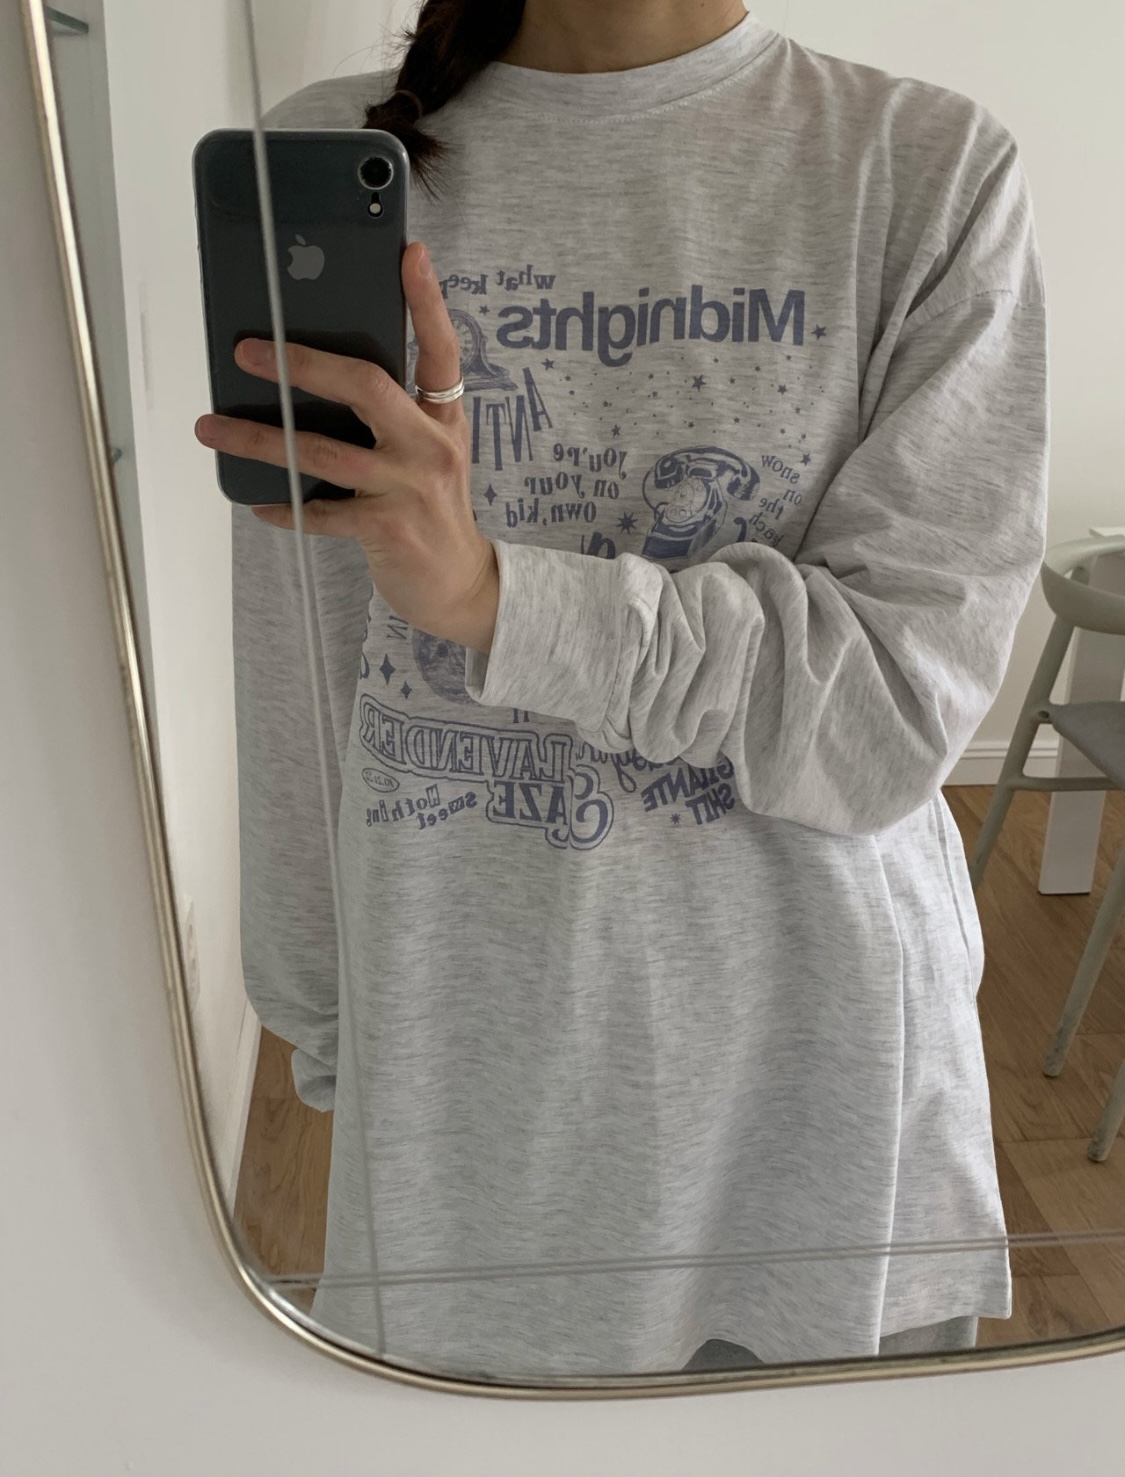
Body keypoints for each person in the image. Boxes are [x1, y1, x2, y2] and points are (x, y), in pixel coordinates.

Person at [204, 0, 1048, 1379]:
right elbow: (298, 651)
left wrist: (497, 599)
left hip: (821, 1098)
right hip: (470, 1092)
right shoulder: (323, 165)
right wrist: (335, 1023)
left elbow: (887, 712)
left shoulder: (921, 167)